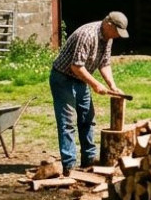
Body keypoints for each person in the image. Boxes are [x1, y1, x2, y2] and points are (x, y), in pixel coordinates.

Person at [49, 11, 131, 173]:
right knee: (67, 121)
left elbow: (105, 63)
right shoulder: (87, 35)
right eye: (116, 32)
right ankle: (69, 164)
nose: (117, 36)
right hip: (63, 78)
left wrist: (112, 86)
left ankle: (88, 159)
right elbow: (76, 66)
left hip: (80, 79)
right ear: (108, 24)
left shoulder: (108, 38)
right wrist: (95, 85)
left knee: (87, 118)